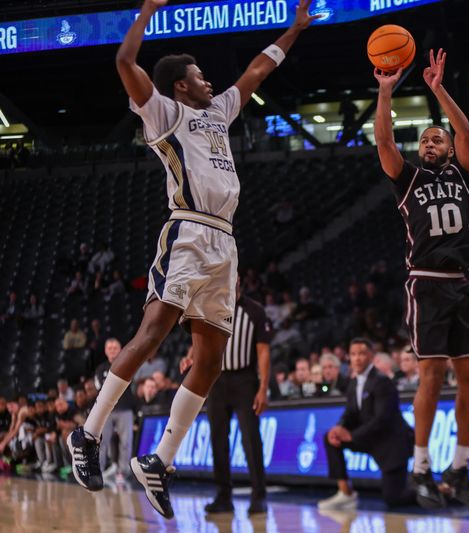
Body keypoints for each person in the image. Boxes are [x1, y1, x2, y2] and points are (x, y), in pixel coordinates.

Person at [67, 0, 319, 519]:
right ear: (181, 84)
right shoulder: (166, 111)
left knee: (210, 359)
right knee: (155, 329)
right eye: (200, 76)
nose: (209, 81)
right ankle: (87, 433)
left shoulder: (220, 111)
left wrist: (293, 31)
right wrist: (146, 12)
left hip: (224, 244)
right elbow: (123, 62)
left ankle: (160, 460)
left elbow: (257, 69)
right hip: (187, 231)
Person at [374, 48, 469, 509]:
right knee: (432, 374)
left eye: (436, 140)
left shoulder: (464, 172)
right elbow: (384, 144)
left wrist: (439, 90)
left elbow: (465, 131)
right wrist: (384, 92)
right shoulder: (409, 181)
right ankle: (421, 468)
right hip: (425, 282)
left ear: (449, 147)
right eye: (424, 142)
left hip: (460, 283)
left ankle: (459, 468)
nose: (429, 146)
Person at [187, 277, 274, 516]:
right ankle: (223, 496)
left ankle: (259, 496)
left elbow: (263, 351)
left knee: (251, 440)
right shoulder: (211, 307)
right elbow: (201, 339)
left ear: (239, 282)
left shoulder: (254, 310)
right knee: (218, 440)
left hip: (245, 381)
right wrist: (191, 356)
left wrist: (263, 388)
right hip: (217, 380)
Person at [317, 338, 414, 510]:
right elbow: (350, 413)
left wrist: (352, 435)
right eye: (353, 354)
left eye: (362, 353)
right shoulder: (354, 382)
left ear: (371, 356)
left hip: (391, 443)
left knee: (394, 498)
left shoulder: (382, 381)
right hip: (369, 437)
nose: (357, 358)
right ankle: (345, 493)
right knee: (330, 437)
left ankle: (438, 491)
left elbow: (382, 419)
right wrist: (340, 427)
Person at [94, 338, 136, 484]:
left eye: (115, 348)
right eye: (109, 348)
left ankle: (123, 471)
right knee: (102, 442)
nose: (112, 350)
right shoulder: (100, 369)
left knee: (126, 441)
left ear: (120, 349)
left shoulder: (128, 365)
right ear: (106, 351)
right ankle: (98, 470)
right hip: (107, 410)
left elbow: (132, 387)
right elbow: (100, 389)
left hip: (125, 408)